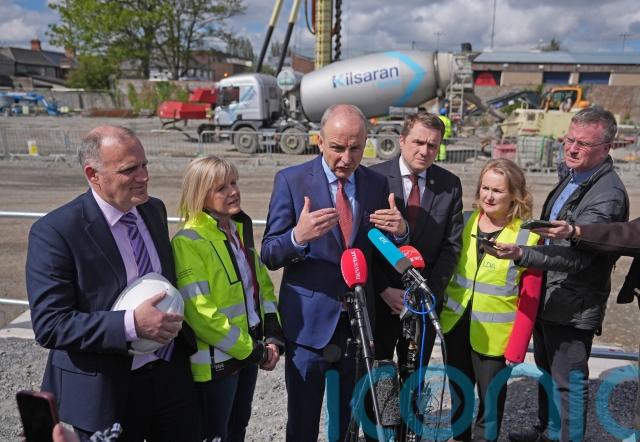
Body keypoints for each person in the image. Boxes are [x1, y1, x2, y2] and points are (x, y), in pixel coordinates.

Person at [26, 126, 199, 441]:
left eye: (144, 165)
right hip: (105, 390)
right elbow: (51, 325)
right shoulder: (55, 232)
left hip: (169, 375)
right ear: (93, 174)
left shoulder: (153, 209)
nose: (144, 176)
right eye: (129, 169)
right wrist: (131, 325)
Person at [260, 104, 408, 442]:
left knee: (347, 426)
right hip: (308, 328)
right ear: (320, 141)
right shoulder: (292, 181)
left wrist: (400, 232)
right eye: (338, 148)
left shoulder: (375, 184)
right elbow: (269, 253)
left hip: (357, 326)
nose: (346, 158)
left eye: (355, 148)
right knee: (303, 424)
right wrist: (298, 237)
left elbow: (381, 250)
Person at [486, 107, 629, 442]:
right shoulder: (576, 174)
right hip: (551, 295)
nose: (572, 148)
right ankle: (548, 432)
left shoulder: (607, 195)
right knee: (547, 371)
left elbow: (578, 258)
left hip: (573, 306)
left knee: (569, 384)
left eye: (583, 144)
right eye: (569, 139)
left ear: (606, 148)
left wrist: (522, 254)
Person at [171, 155, 284, 441]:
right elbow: (200, 314)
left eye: (234, 183)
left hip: (246, 353)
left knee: (238, 427)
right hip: (217, 363)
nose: (233, 191)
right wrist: (251, 350)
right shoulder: (188, 241)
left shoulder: (236, 231)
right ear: (200, 194)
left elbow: (262, 287)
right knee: (215, 435)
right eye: (222, 188)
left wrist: (272, 331)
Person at [368, 112, 463, 436]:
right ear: (402, 140)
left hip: (423, 304)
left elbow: (451, 247)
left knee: (415, 378)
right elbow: (363, 243)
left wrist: (426, 293)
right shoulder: (374, 179)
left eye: (432, 145)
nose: (424, 150)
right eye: (418, 142)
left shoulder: (449, 185)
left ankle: (411, 433)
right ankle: (382, 434)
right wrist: (382, 289)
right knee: (380, 376)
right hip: (383, 301)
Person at [440, 159, 543, 442]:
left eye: (497, 190)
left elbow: (530, 298)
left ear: (515, 195)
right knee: (459, 395)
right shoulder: (464, 222)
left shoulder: (528, 236)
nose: (488, 196)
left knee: (490, 403)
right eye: (485, 188)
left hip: (496, 338)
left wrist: (518, 346)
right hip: (455, 325)